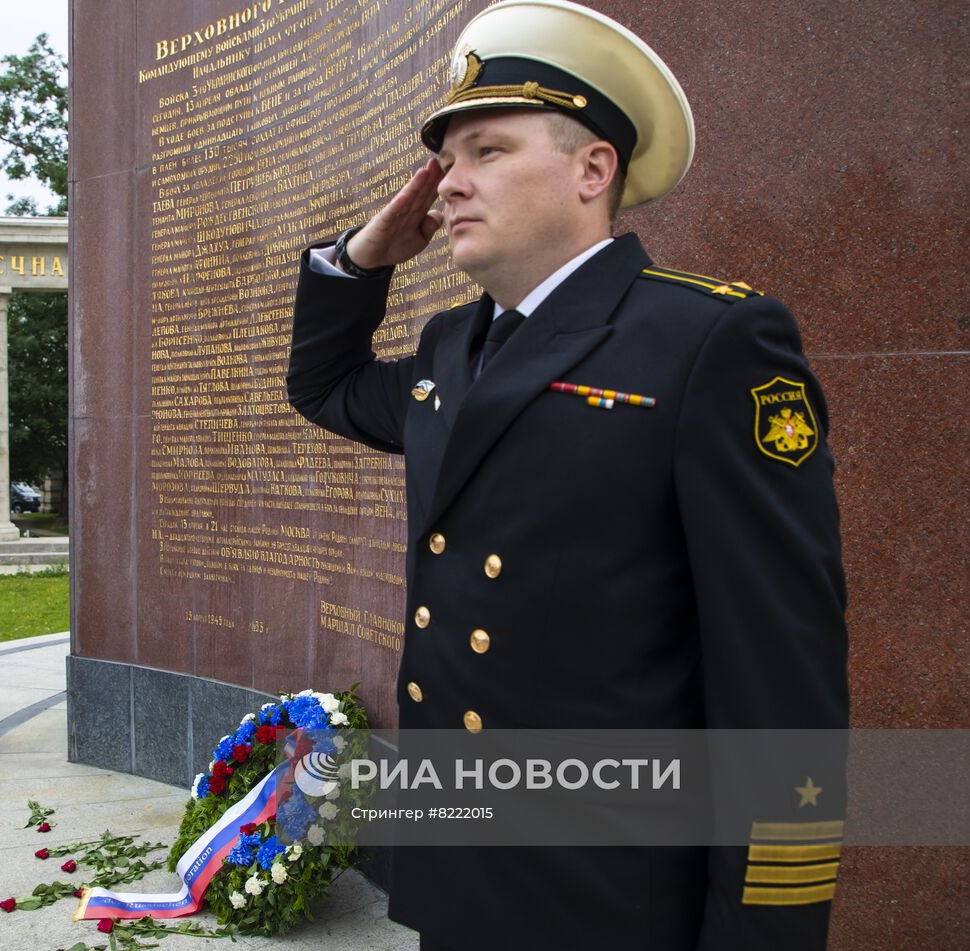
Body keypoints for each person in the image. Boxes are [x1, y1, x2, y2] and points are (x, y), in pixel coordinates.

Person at [285, 2, 848, 948]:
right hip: (461, 871)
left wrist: (765, 930)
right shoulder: (450, 348)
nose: (446, 186)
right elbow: (324, 386)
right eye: (444, 161)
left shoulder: (708, 341)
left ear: (594, 170)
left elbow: (780, 675)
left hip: (609, 897)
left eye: (487, 153)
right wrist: (360, 256)